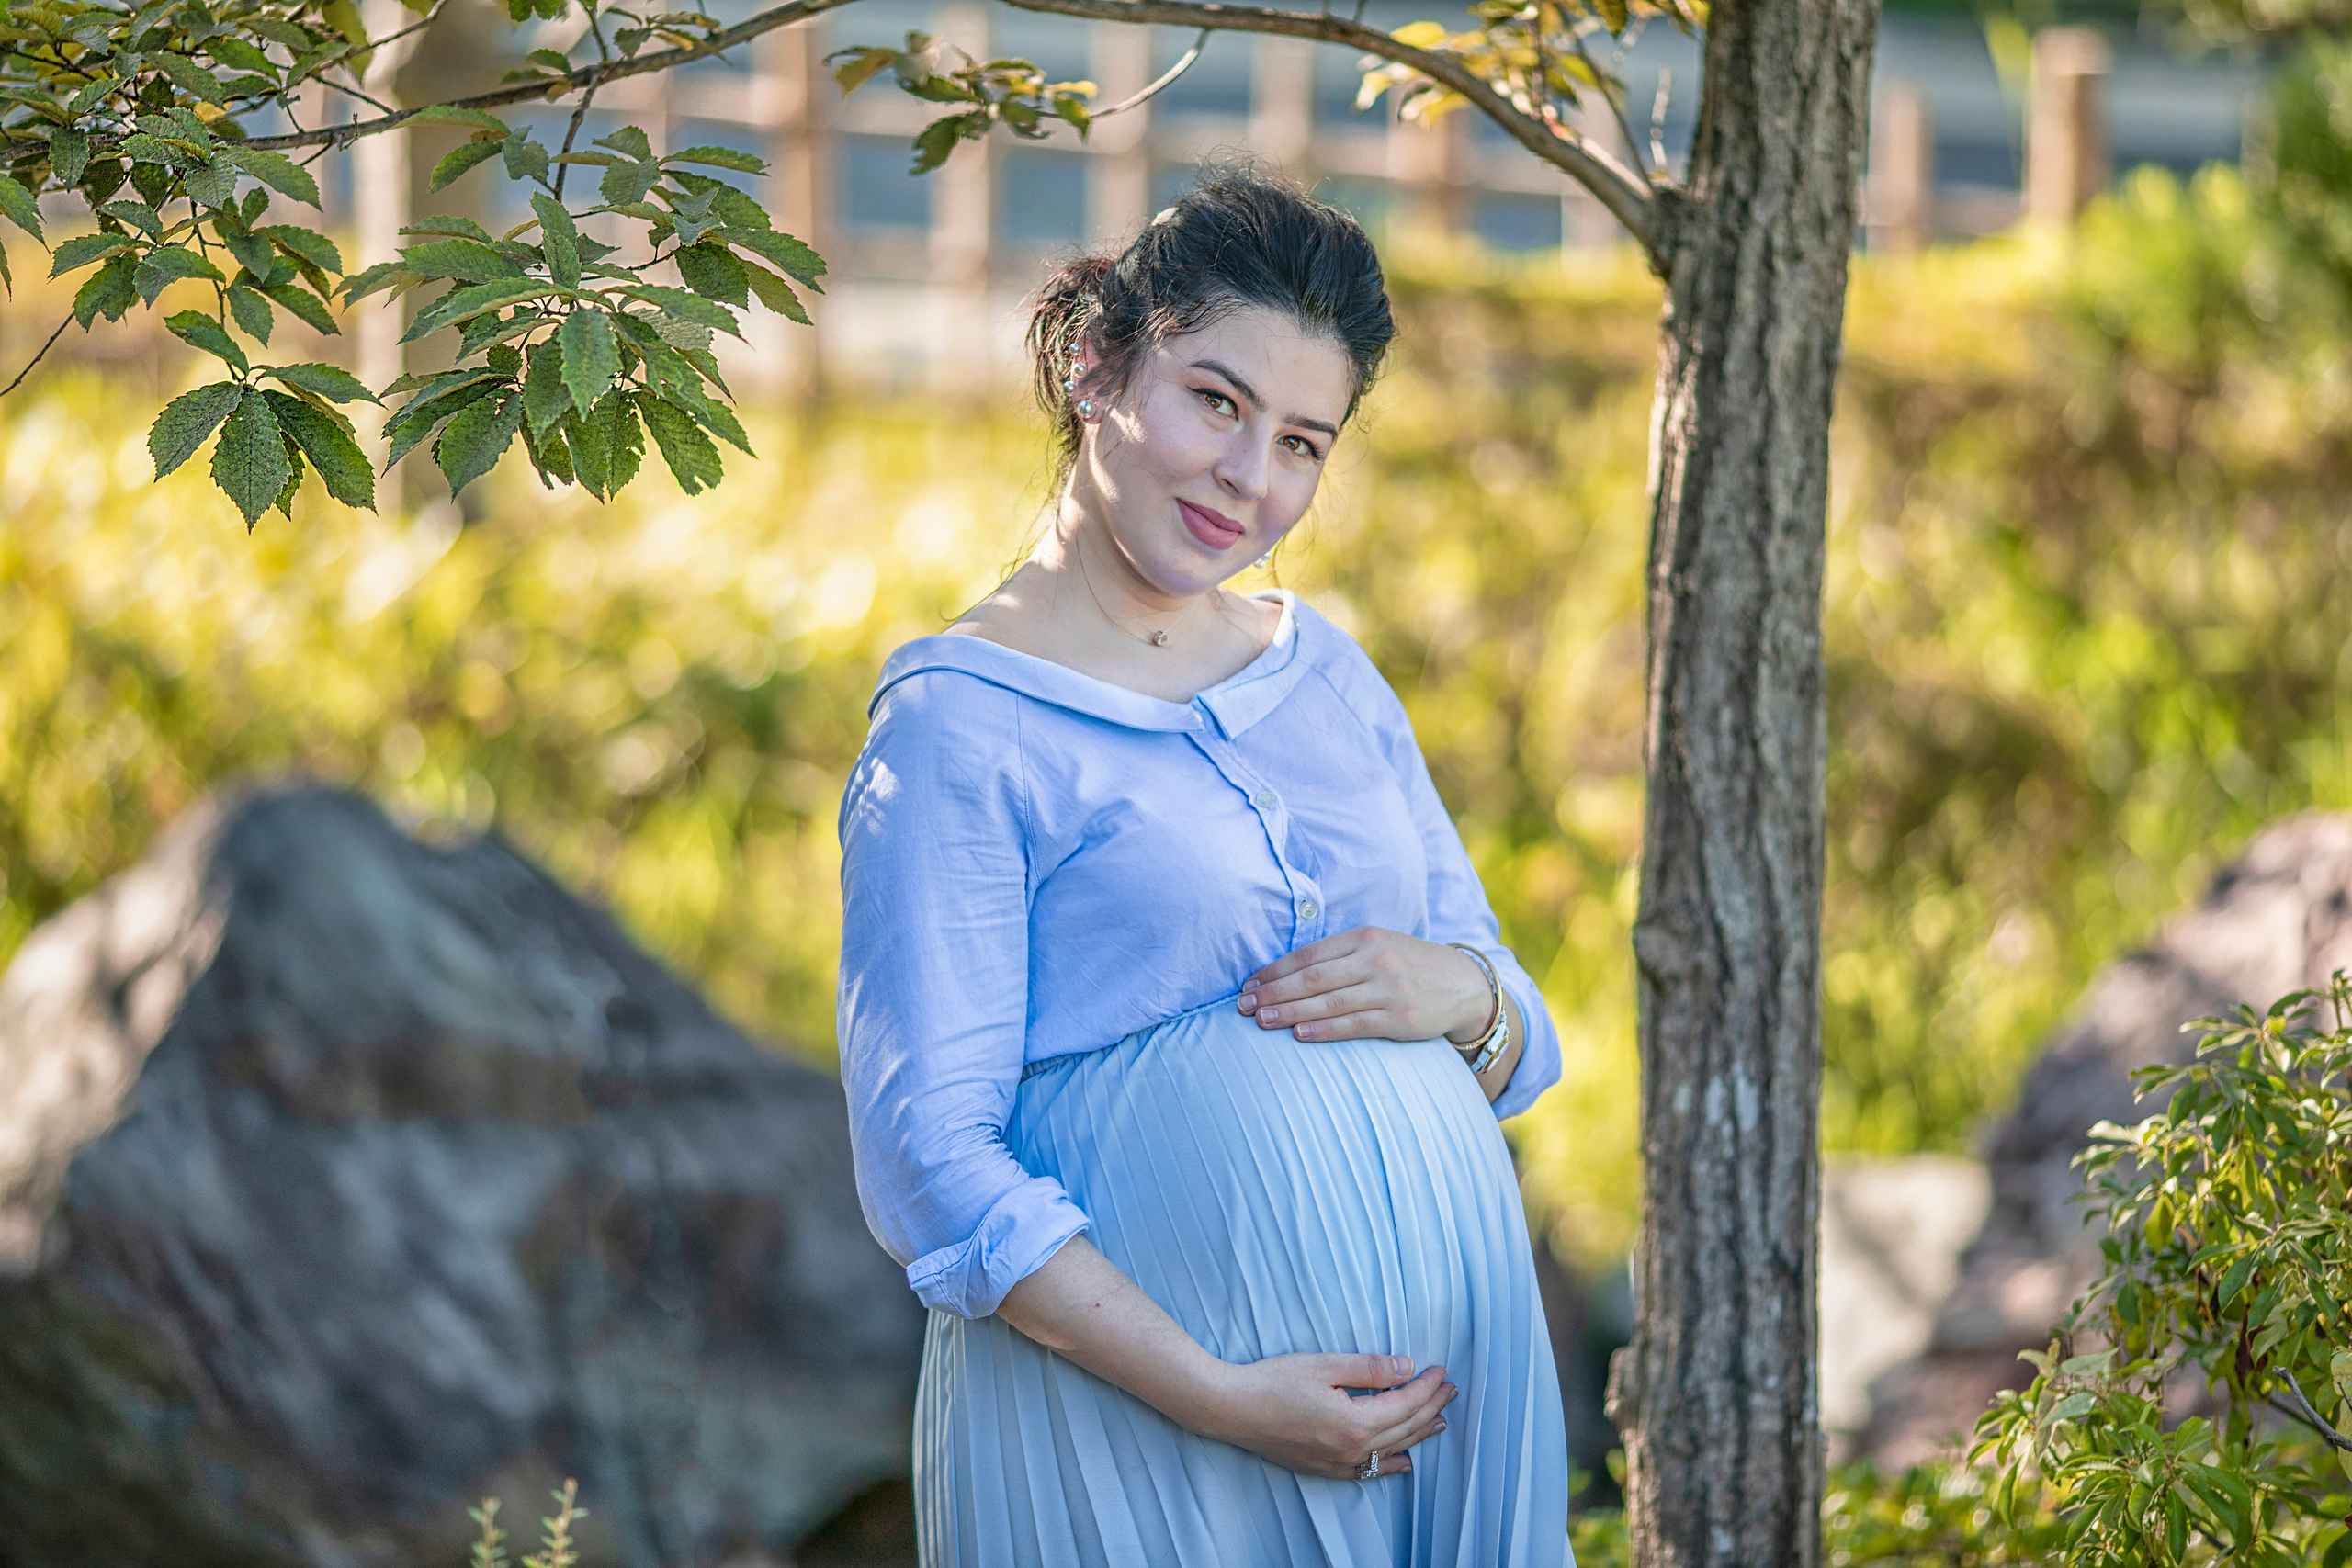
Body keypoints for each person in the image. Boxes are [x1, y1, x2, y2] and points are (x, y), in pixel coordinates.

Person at [837, 168, 1571, 1567]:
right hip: (1138, 1432)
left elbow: (1517, 1038)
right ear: (1098, 365)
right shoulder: (956, 725)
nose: (1252, 479)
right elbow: (930, 1161)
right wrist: (1225, 1397)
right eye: (1217, 403)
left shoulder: (1329, 674)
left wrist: (1464, 994)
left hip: (1442, 1430)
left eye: (1304, 441)